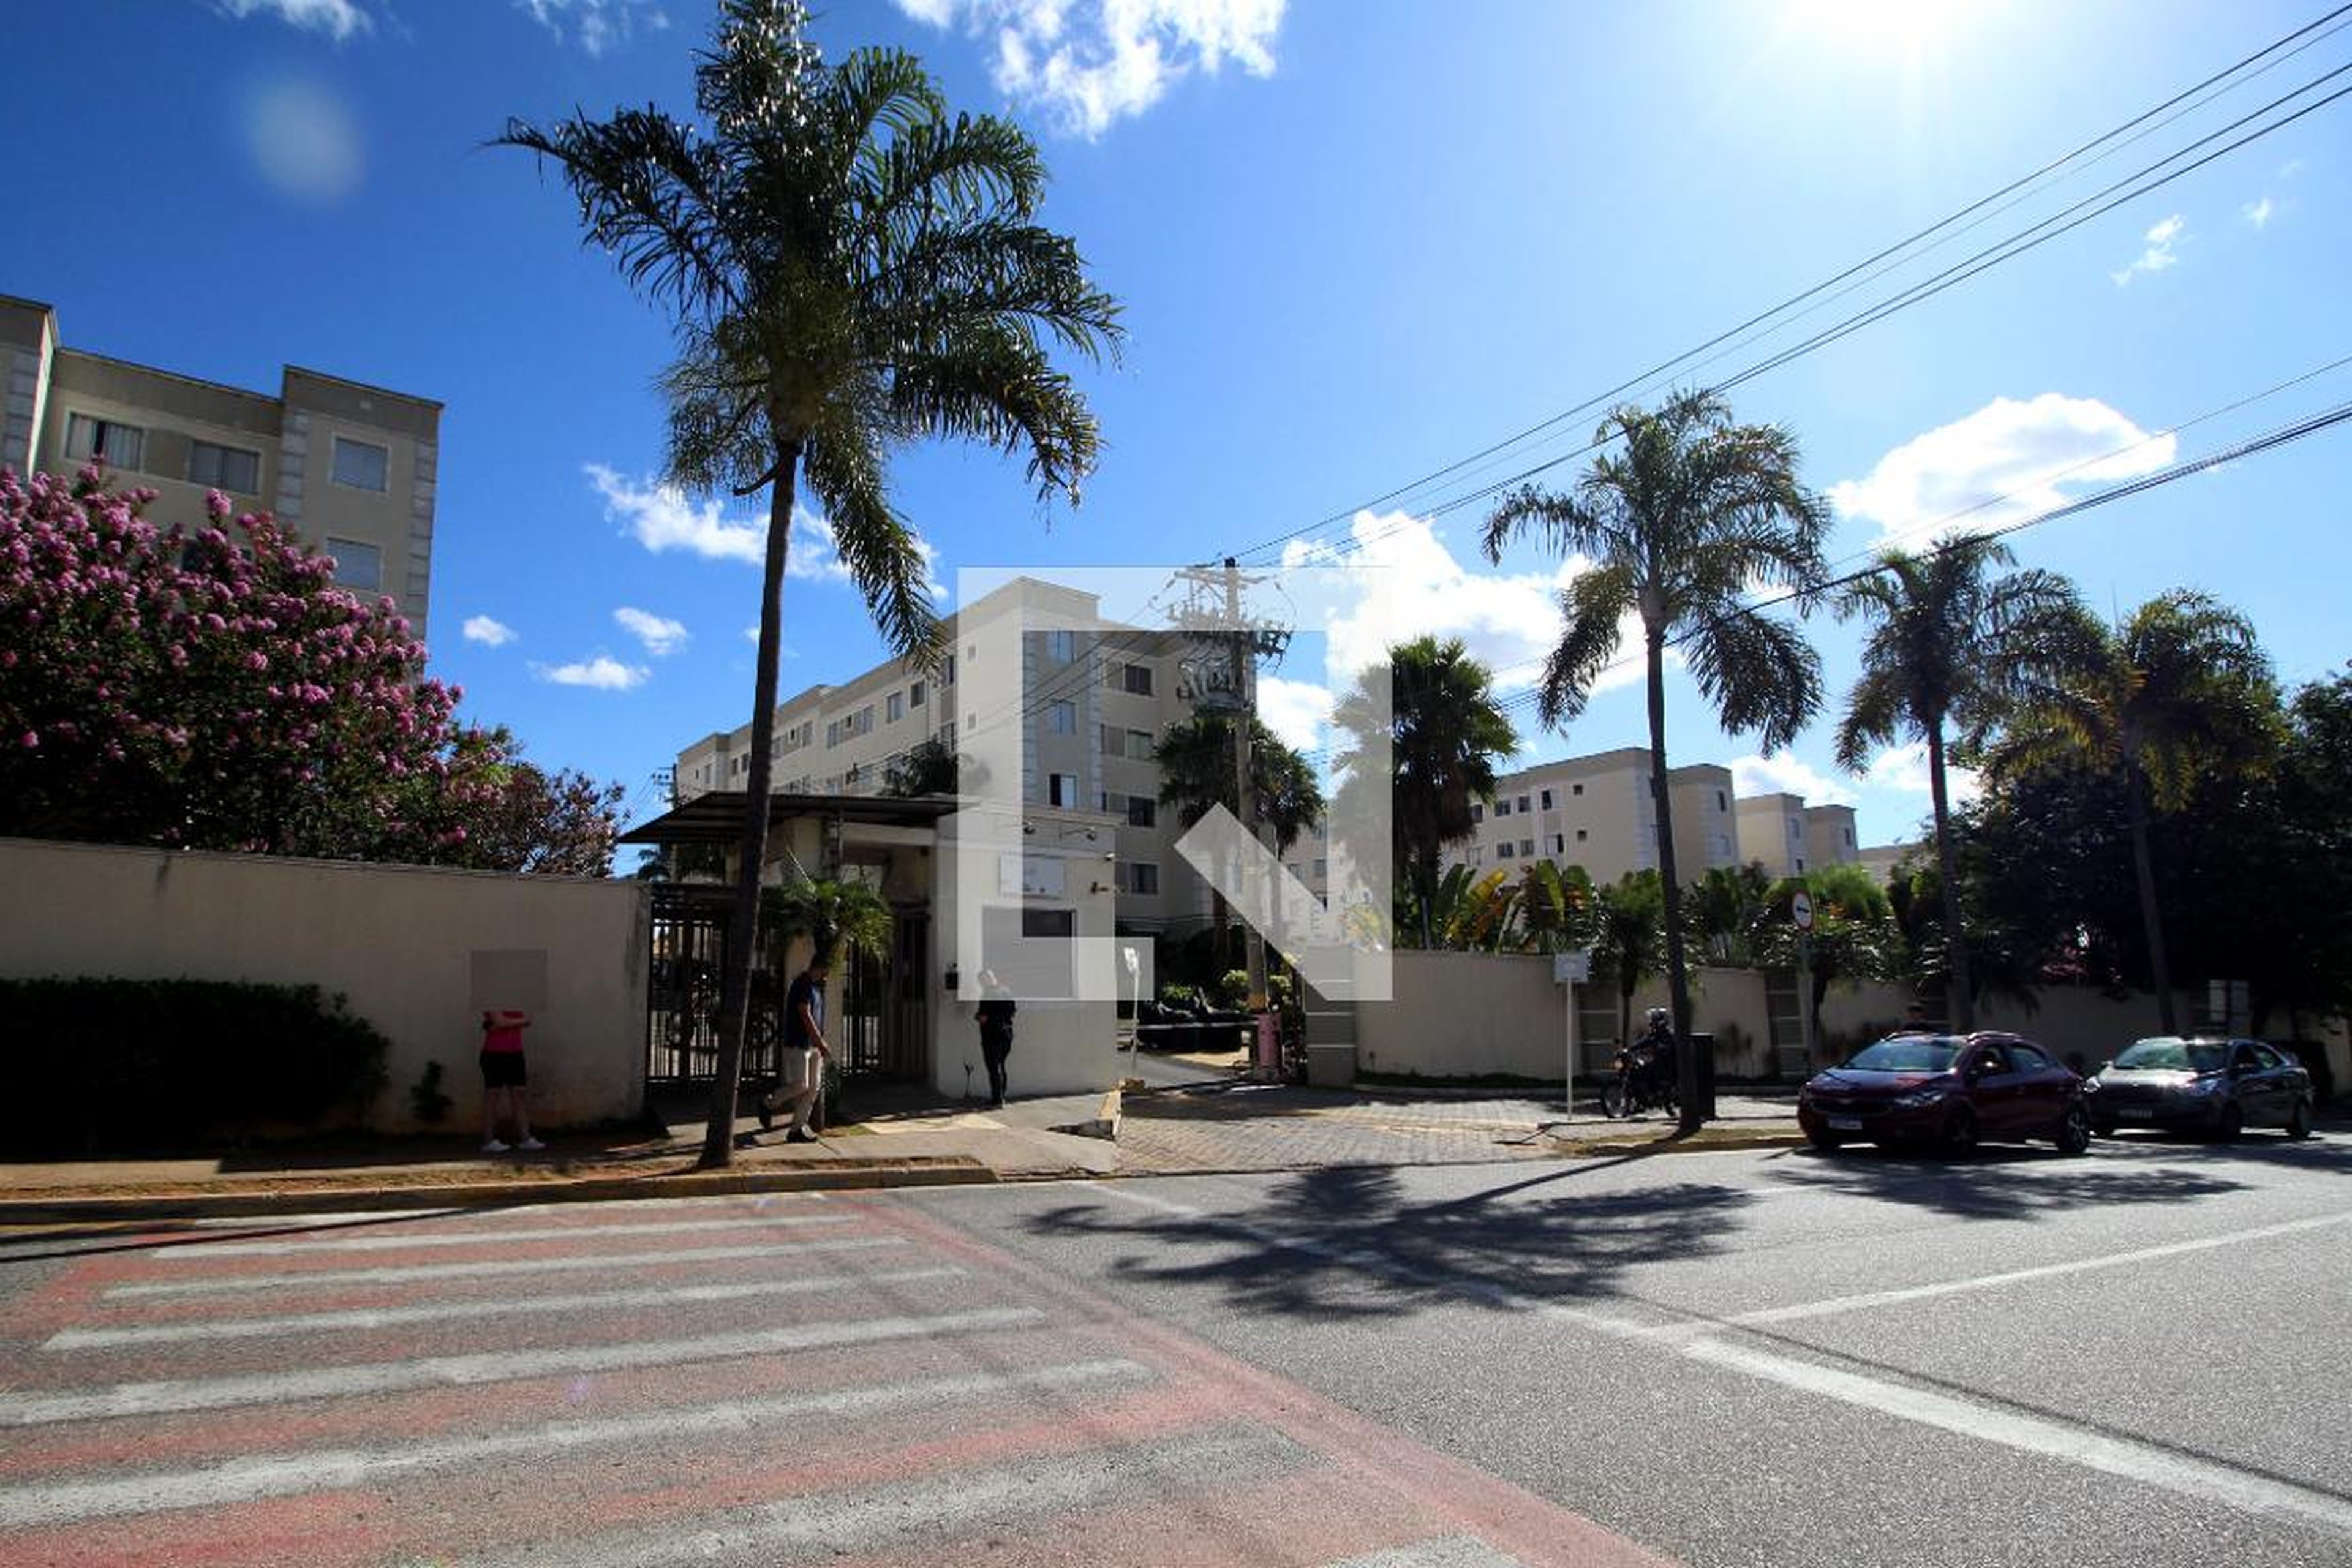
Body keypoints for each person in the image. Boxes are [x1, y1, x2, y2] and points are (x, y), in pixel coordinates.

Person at [758, 956, 832, 1143]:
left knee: (814, 1088)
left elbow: (815, 1016)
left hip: (814, 1045)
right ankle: (768, 1103)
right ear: (820, 968)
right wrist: (820, 1042)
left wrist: (820, 1042)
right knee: (801, 1085)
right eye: (826, 971)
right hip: (799, 1043)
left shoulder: (816, 987)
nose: (827, 976)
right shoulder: (802, 984)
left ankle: (796, 1130)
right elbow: (805, 1014)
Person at [479, 1009, 545, 1154]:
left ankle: (526, 1138)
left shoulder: (516, 1000)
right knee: (493, 1095)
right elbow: (499, 1021)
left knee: (519, 1094)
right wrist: (519, 1022)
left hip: (515, 1052)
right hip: (494, 1053)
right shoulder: (491, 997)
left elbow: (507, 1023)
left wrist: (507, 1024)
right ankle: (488, 1141)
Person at [976, 969, 1017, 1108]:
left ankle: (997, 1100)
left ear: (985, 980)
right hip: (1007, 1035)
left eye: (981, 981)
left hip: (992, 1035)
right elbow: (1013, 1012)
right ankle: (1001, 1097)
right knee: (1001, 1065)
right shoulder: (1007, 991)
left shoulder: (987, 995)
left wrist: (979, 1018)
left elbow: (983, 1017)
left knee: (994, 1067)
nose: (981, 984)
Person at [1630, 1007, 1676, 1096]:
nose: (1651, 1023)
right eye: (1652, 1020)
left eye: (1654, 1020)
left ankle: (1657, 1092)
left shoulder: (1668, 1035)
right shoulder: (1655, 1034)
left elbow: (1666, 1048)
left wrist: (1659, 1048)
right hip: (1658, 1062)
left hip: (1667, 1066)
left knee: (1649, 1069)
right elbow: (1645, 1042)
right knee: (1641, 1067)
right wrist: (1632, 1049)